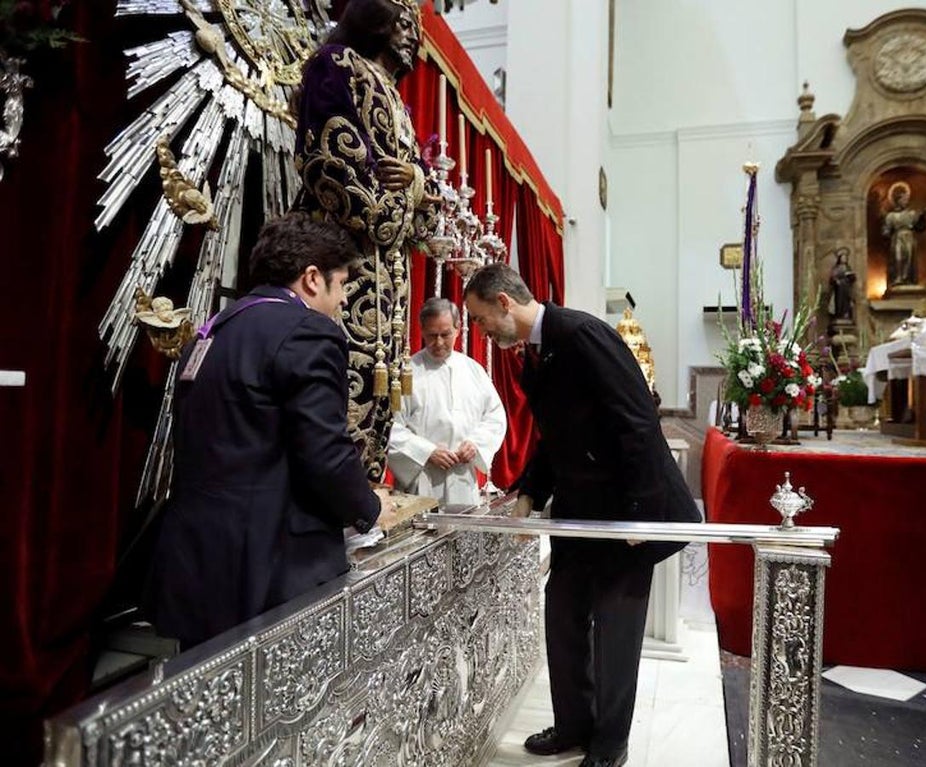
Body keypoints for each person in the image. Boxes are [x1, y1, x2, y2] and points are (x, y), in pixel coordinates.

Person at [463, 264, 700, 767]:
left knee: (615, 632)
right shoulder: (537, 352)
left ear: (505, 303)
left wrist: (640, 514)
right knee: (564, 619)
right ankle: (574, 725)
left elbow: (636, 422)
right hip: (580, 513)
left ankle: (610, 742)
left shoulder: (583, 334)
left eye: (482, 320)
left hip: (624, 513)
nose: (481, 331)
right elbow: (558, 436)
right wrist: (531, 489)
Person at [146, 213, 396, 649]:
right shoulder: (306, 331)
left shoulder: (214, 328)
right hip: (269, 566)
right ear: (313, 278)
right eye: (341, 285)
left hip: (196, 558)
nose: (341, 302)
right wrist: (369, 509)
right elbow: (325, 453)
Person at [293, 0, 437, 483]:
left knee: (379, 406)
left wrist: (416, 183)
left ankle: (362, 501)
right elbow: (332, 170)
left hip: (388, 289)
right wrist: (402, 204)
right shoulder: (335, 69)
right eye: (404, 24)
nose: (413, 37)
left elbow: (427, 208)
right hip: (341, 272)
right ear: (373, 23)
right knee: (333, 399)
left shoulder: (397, 100)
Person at [388, 298, 507, 507]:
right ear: (422, 330)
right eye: (432, 335)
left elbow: (495, 416)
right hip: (421, 479)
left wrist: (475, 444)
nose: (439, 343)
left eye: (446, 334)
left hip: (462, 479)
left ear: (458, 329)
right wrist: (426, 451)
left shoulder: (473, 370)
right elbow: (390, 428)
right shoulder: (406, 373)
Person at [881, 181, 926, 288]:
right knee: (898, 258)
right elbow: (886, 230)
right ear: (897, 200)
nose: (906, 201)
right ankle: (898, 278)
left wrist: (922, 217)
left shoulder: (912, 214)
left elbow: (920, 228)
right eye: (903, 199)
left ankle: (908, 279)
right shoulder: (891, 216)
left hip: (909, 237)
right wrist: (886, 232)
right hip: (897, 238)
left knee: (909, 257)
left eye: (907, 199)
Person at [828, 248, 857, 322]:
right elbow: (832, 278)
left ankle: (846, 314)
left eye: (845, 258)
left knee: (847, 302)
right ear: (839, 258)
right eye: (843, 257)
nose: (844, 259)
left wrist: (851, 276)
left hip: (846, 289)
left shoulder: (848, 268)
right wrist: (836, 281)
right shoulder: (836, 268)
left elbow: (853, 278)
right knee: (839, 302)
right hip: (839, 290)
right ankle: (839, 314)